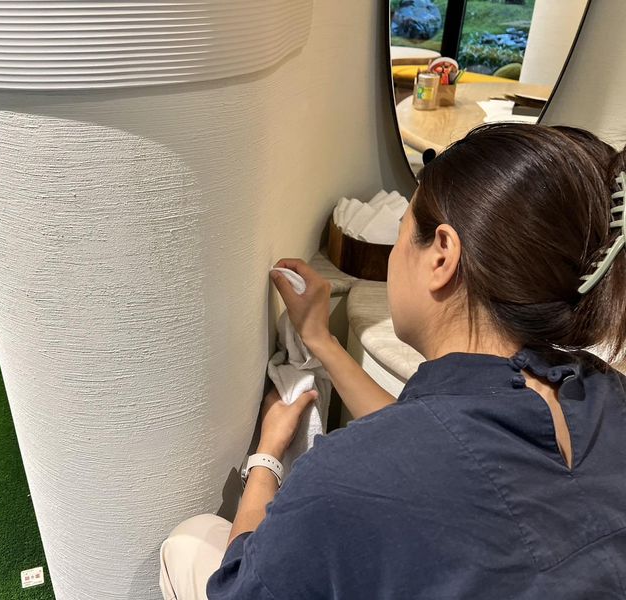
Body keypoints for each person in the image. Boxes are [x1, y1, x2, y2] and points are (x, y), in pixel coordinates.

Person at [159, 122, 626, 599]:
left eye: (401, 232)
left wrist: (266, 459)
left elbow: (238, 588)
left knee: (191, 541)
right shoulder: (603, 391)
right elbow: (437, 446)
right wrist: (320, 339)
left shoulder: (344, 479)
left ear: (441, 256)